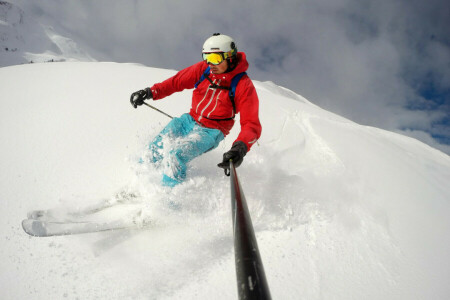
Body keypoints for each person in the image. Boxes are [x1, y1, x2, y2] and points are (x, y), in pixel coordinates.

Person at [130, 33, 261, 187]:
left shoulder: (243, 85)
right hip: (189, 120)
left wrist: (240, 147)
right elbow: (176, 82)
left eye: (215, 58)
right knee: (156, 147)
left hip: (212, 130)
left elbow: (251, 124)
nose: (210, 63)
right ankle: (140, 185)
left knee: (176, 155)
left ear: (230, 57)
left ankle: (168, 200)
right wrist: (150, 92)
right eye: (206, 57)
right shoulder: (204, 70)